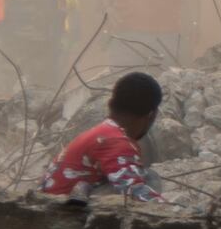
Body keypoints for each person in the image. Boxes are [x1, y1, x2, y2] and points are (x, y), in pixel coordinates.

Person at [40, 71, 164, 203]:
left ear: (112, 103)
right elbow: (135, 192)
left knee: (142, 175)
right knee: (150, 179)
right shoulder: (116, 141)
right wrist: (181, 216)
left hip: (49, 203)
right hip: (61, 212)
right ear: (151, 115)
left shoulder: (102, 133)